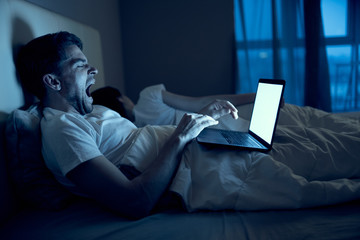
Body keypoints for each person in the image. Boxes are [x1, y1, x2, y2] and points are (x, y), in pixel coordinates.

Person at [16, 31, 360, 219]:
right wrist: (181, 135)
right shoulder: (61, 130)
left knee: (320, 144)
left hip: (207, 146)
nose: (92, 71)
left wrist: (200, 125)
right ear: (53, 81)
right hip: (199, 170)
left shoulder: (86, 116)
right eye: (80, 65)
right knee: (325, 165)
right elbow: (134, 202)